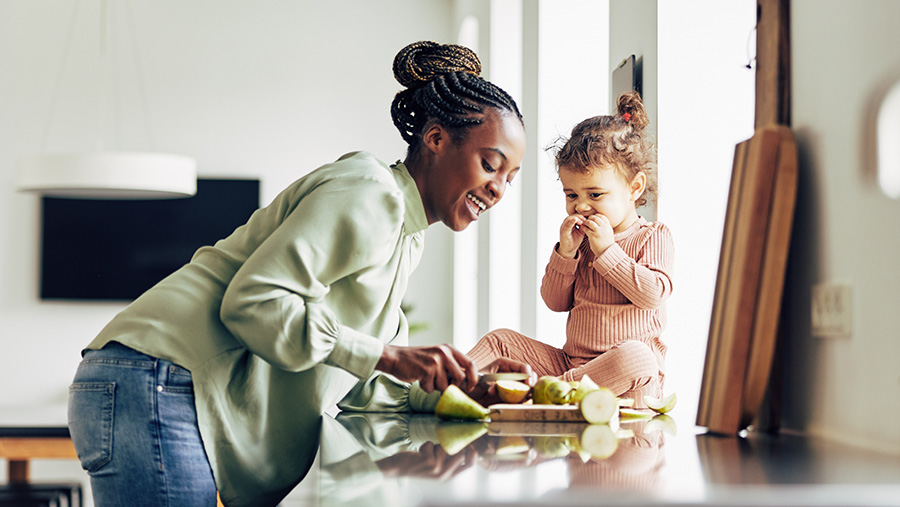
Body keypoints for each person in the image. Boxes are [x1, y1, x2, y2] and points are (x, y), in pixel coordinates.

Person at [67, 41, 529, 507]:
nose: (498, 188)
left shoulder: (407, 237)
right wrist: (388, 356)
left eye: (510, 177)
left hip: (156, 382)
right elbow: (255, 303)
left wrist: (469, 388)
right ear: (435, 139)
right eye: (490, 164)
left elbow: (364, 385)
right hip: (153, 376)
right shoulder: (371, 192)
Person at [467, 91, 674, 407]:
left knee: (639, 357)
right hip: (571, 366)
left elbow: (654, 294)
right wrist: (565, 254)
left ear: (634, 188)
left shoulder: (653, 236)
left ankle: (545, 393)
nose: (582, 206)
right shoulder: (582, 243)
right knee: (500, 340)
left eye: (595, 194)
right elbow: (554, 301)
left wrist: (608, 253)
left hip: (622, 378)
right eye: (571, 195)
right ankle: (447, 383)